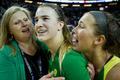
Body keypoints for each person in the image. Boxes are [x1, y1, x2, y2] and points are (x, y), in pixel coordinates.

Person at [0, 6, 64, 80]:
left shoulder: (44, 44)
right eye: (17, 23)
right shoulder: (5, 54)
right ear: (9, 30)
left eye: (26, 20)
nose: (24, 24)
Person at [35, 3, 91, 80]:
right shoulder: (50, 52)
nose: (38, 24)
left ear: (60, 25)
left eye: (45, 18)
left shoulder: (71, 60)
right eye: (36, 20)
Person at [72, 11, 120, 80]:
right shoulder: (79, 60)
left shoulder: (116, 73)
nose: (74, 30)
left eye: (81, 26)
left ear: (99, 40)